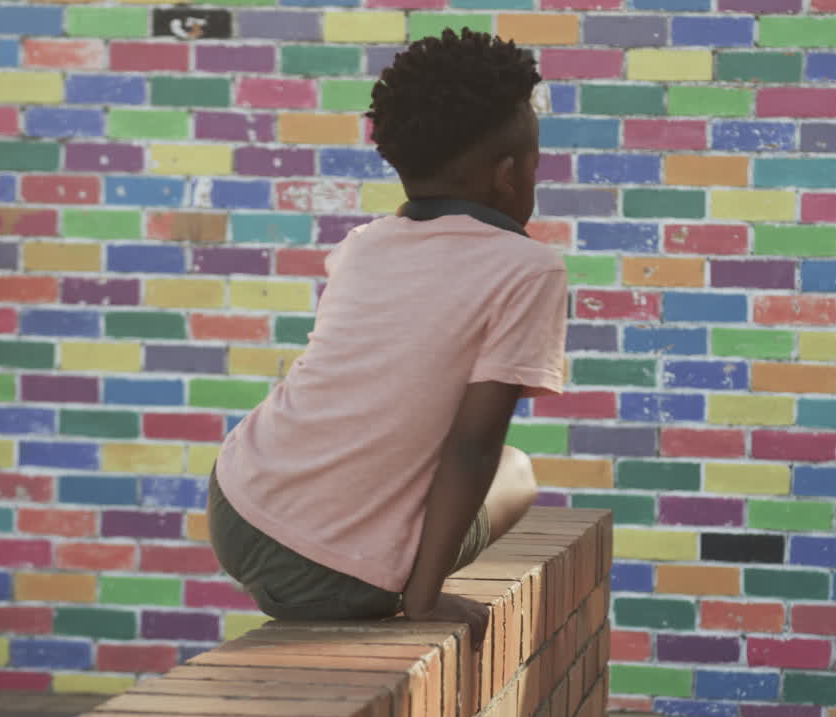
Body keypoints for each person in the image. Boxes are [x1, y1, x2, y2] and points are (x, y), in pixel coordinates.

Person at [206, 28, 566, 648]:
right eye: (535, 158)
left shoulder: (363, 246)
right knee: (519, 471)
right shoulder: (528, 269)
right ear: (508, 174)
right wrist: (423, 599)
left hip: (236, 503)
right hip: (332, 574)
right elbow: (474, 445)